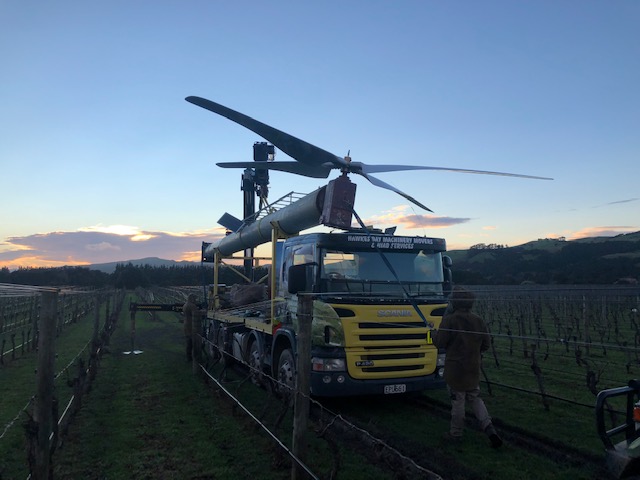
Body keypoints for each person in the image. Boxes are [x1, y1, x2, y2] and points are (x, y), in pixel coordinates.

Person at [433, 286, 502, 448]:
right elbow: (486, 344)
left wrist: (432, 333)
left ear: (454, 303)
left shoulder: (449, 320)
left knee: (458, 401)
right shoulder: (478, 320)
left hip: (455, 370)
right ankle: (488, 427)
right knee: (475, 398)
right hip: (473, 368)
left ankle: (455, 433)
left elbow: (439, 343)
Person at [182, 293, 200, 362]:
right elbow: (196, 314)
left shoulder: (185, 305)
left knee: (188, 342)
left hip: (186, 324)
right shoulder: (192, 306)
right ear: (192, 298)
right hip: (191, 325)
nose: (196, 300)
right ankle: (195, 358)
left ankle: (188, 357)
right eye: (195, 299)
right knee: (194, 342)